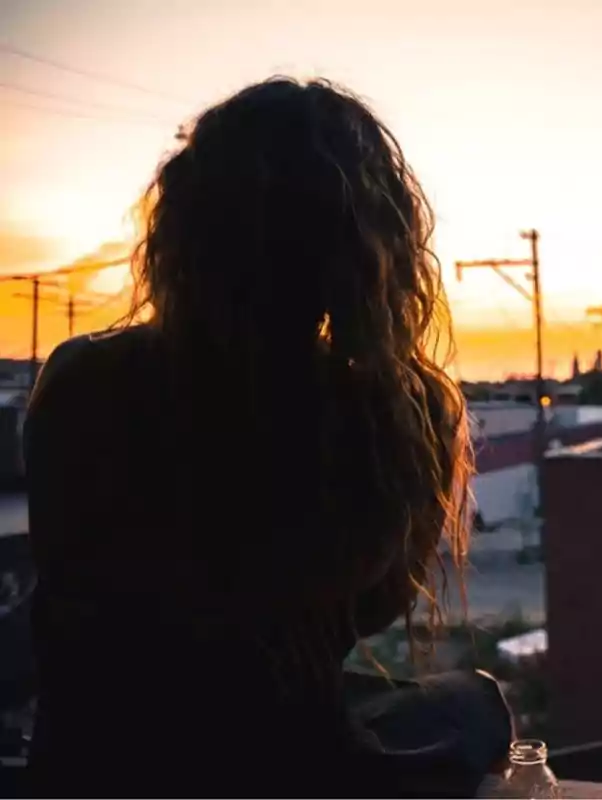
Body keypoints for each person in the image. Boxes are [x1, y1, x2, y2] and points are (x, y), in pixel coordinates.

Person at [24, 78, 511, 796]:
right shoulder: (394, 416)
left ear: (185, 224)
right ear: (370, 247)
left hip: (94, 766)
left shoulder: (84, 382)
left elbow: (69, 585)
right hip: (286, 765)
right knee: (477, 705)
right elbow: (368, 611)